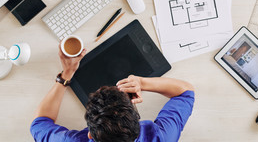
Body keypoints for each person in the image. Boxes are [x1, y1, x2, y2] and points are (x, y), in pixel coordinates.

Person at [30, 46, 195, 142]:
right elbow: (186, 92)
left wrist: (66, 74)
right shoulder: (160, 137)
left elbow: (39, 124)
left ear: (90, 135)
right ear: (137, 126)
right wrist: (142, 82)